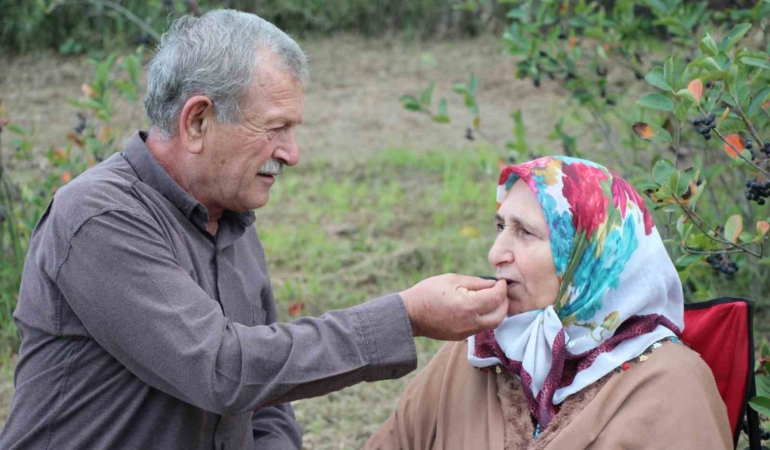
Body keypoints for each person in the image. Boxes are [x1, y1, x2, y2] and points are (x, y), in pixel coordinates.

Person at [0, 10, 509, 450]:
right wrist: (407, 316)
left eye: (294, 130)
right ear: (197, 121)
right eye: (274, 129)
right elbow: (223, 370)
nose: (292, 153)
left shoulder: (231, 221)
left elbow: (265, 406)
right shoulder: (98, 217)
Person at [365, 156, 733, 449]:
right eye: (500, 227)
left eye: (525, 233)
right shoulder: (472, 355)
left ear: (589, 257)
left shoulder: (671, 386)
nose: (496, 254)